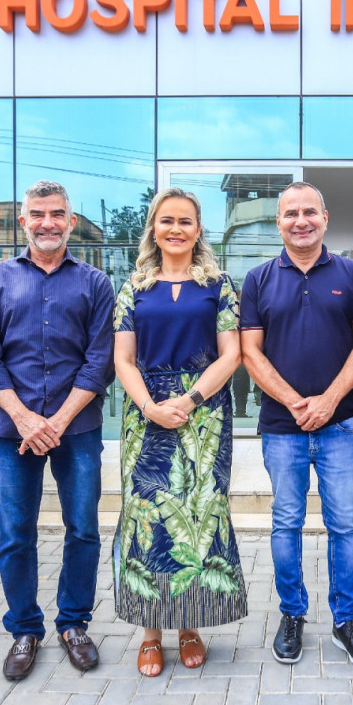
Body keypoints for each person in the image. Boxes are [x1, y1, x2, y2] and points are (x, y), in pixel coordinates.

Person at [0, 180, 116, 681]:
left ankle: (74, 623)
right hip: (10, 430)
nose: (47, 222)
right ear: (23, 221)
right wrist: (26, 419)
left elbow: (100, 363)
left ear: (70, 221)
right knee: (15, 534)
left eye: (57, 214)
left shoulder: (96, 283)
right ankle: (24, 629)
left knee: (84, 529)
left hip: (77, 429)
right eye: (37, 214)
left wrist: (56, 421)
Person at [240, 182, 353, 670]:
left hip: (341, 424)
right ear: (279, 221)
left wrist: (328, 400)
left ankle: (345, 621)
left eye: (309, 212)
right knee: (286, 523)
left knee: (344, 523)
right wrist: (296, 401)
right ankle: (292, 614)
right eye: (291, 213)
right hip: (282, 425)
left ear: (325, 216)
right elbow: (249, 352)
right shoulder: (258, 279)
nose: (301, 221)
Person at [112, 187, 246, 677]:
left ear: (197, 230)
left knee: (199, 513)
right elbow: (122, 358)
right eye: (166, 220)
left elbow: (231, 354)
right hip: (143, 413)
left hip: (205, 413)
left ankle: (190, 625)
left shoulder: (220, 285)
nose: (175, 229)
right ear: (153, 228)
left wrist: (189, 401)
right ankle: (150, 632)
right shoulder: (134, 287)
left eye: (185, 221)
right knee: (147, 516)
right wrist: (149, 405)